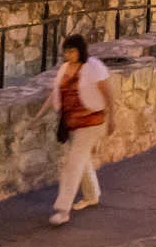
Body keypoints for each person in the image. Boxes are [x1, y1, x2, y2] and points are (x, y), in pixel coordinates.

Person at [34, 35, 116, 226]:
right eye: (66, 51)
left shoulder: (94, 67)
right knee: (81, 158)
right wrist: (38, 116)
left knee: (73, 162)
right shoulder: (64, 69)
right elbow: (56, 93)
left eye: (72, 50)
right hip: (72, 122)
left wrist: (113, 119)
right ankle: (92, 195)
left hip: (92, 121)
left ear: (81, 50)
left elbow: (108, 94)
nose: (68, 54)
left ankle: (62, 210)